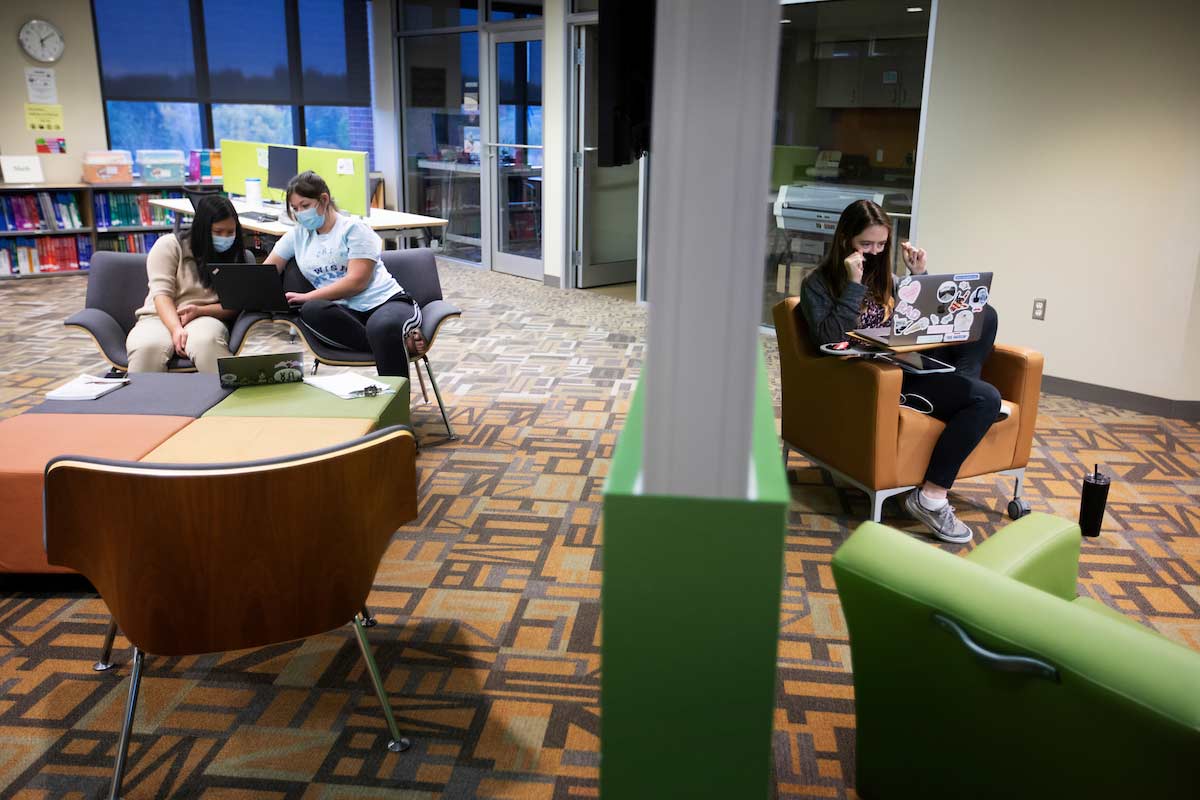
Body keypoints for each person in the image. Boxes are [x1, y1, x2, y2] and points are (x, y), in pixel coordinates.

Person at [800, 199, 1001, 544]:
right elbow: (830, 341)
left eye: (881, 245)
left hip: (907, 360)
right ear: (845, 239)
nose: (875, 252)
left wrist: (918, 278)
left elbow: (913, 326)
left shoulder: (887, 279)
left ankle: (962, 392)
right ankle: (930, 498)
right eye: (866, 244)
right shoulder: (817, 284)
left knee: (987, 315)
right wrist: (853, 285)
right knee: (987, 399)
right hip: (879, 377)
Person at [263, 171, 423, 378]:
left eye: (305, 206)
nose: (300, 213)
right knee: (312, 310)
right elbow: (267, 271)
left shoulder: (354, 229)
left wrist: (306, 296)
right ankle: (400, 344)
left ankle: (396, 406)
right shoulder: (297, 235)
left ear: (324, 200)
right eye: (294, 208)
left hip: (384, 302)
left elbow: (357, 282)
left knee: (381, 328)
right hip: (346, 313)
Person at [126, 194, 248, 372]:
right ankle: (144, 399)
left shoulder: (235, 255)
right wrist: (176, 328)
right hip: (159, 317)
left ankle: (226, 397)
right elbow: (161, 295)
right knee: (148, 346)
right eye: (218, 232)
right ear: (202, 230)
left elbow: (235, 304)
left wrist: (200, 310)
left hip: (206, 317)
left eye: (230, 232)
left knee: (206, 342)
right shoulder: (170, 245)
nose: (225, 238)